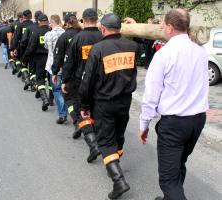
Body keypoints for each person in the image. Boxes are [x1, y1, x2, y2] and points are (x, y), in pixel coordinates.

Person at [138, 9, 209, 200]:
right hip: (197, 120)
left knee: (168, 180)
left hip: (175, 124)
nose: (161, 27)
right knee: (179, 164)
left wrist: (144, 124)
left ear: (170, 27)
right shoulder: (201, 52)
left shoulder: (164, 54)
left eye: (162, 24)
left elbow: (151, 95)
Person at [79, 13, 139, 199]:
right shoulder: (132, 46)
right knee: (118, 135)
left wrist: (84, 105)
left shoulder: (98, 49)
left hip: (104, 103)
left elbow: (88, 80)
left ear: (103, 29)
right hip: (125, 101)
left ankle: (118, 181)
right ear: (119, 29)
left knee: (105, 140)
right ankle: (114, 162)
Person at [62, 8, 102, 163]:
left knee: (81, 113)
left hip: (82, 83)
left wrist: (65, 81)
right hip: (101, 82)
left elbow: (69, 63)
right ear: (96, 20)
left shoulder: (78, 39)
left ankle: (93, 144)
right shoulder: (103, 36)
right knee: (96, 111)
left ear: (83, 20)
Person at [22, 14, 51, 111]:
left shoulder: (36, 32)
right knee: (51, 78)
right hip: (51, 58)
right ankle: (51, 98)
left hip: (40, 58)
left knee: (40, 78)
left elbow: (31, 47)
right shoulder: (51, 31)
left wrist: (25, 58)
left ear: (38, 21)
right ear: (47, 21)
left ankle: (44, 99)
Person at [44, 14, 66, 124]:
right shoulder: (66, 33)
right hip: (66, 65)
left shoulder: (49, 34)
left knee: (57, 90)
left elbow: (47, 47)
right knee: (66, 89)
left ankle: (62, 114)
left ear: (51, 23)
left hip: (53, 65)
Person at [21, 10, 43, 92]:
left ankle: (34, 86)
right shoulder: (48, 28)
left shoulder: (30, 28)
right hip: (45, 54)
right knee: (41, 73)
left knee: (33, 70)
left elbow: (24, 41)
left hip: (33, 53)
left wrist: (25, 52)